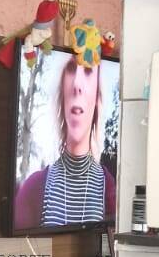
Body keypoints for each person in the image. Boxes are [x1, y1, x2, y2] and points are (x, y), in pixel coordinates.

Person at [15, 56, 115, 229]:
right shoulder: (33, 189)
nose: (77, 84)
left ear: (97, 97)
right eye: (71, 68)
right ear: (62, 93)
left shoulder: (110, 189)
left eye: (88, 70)